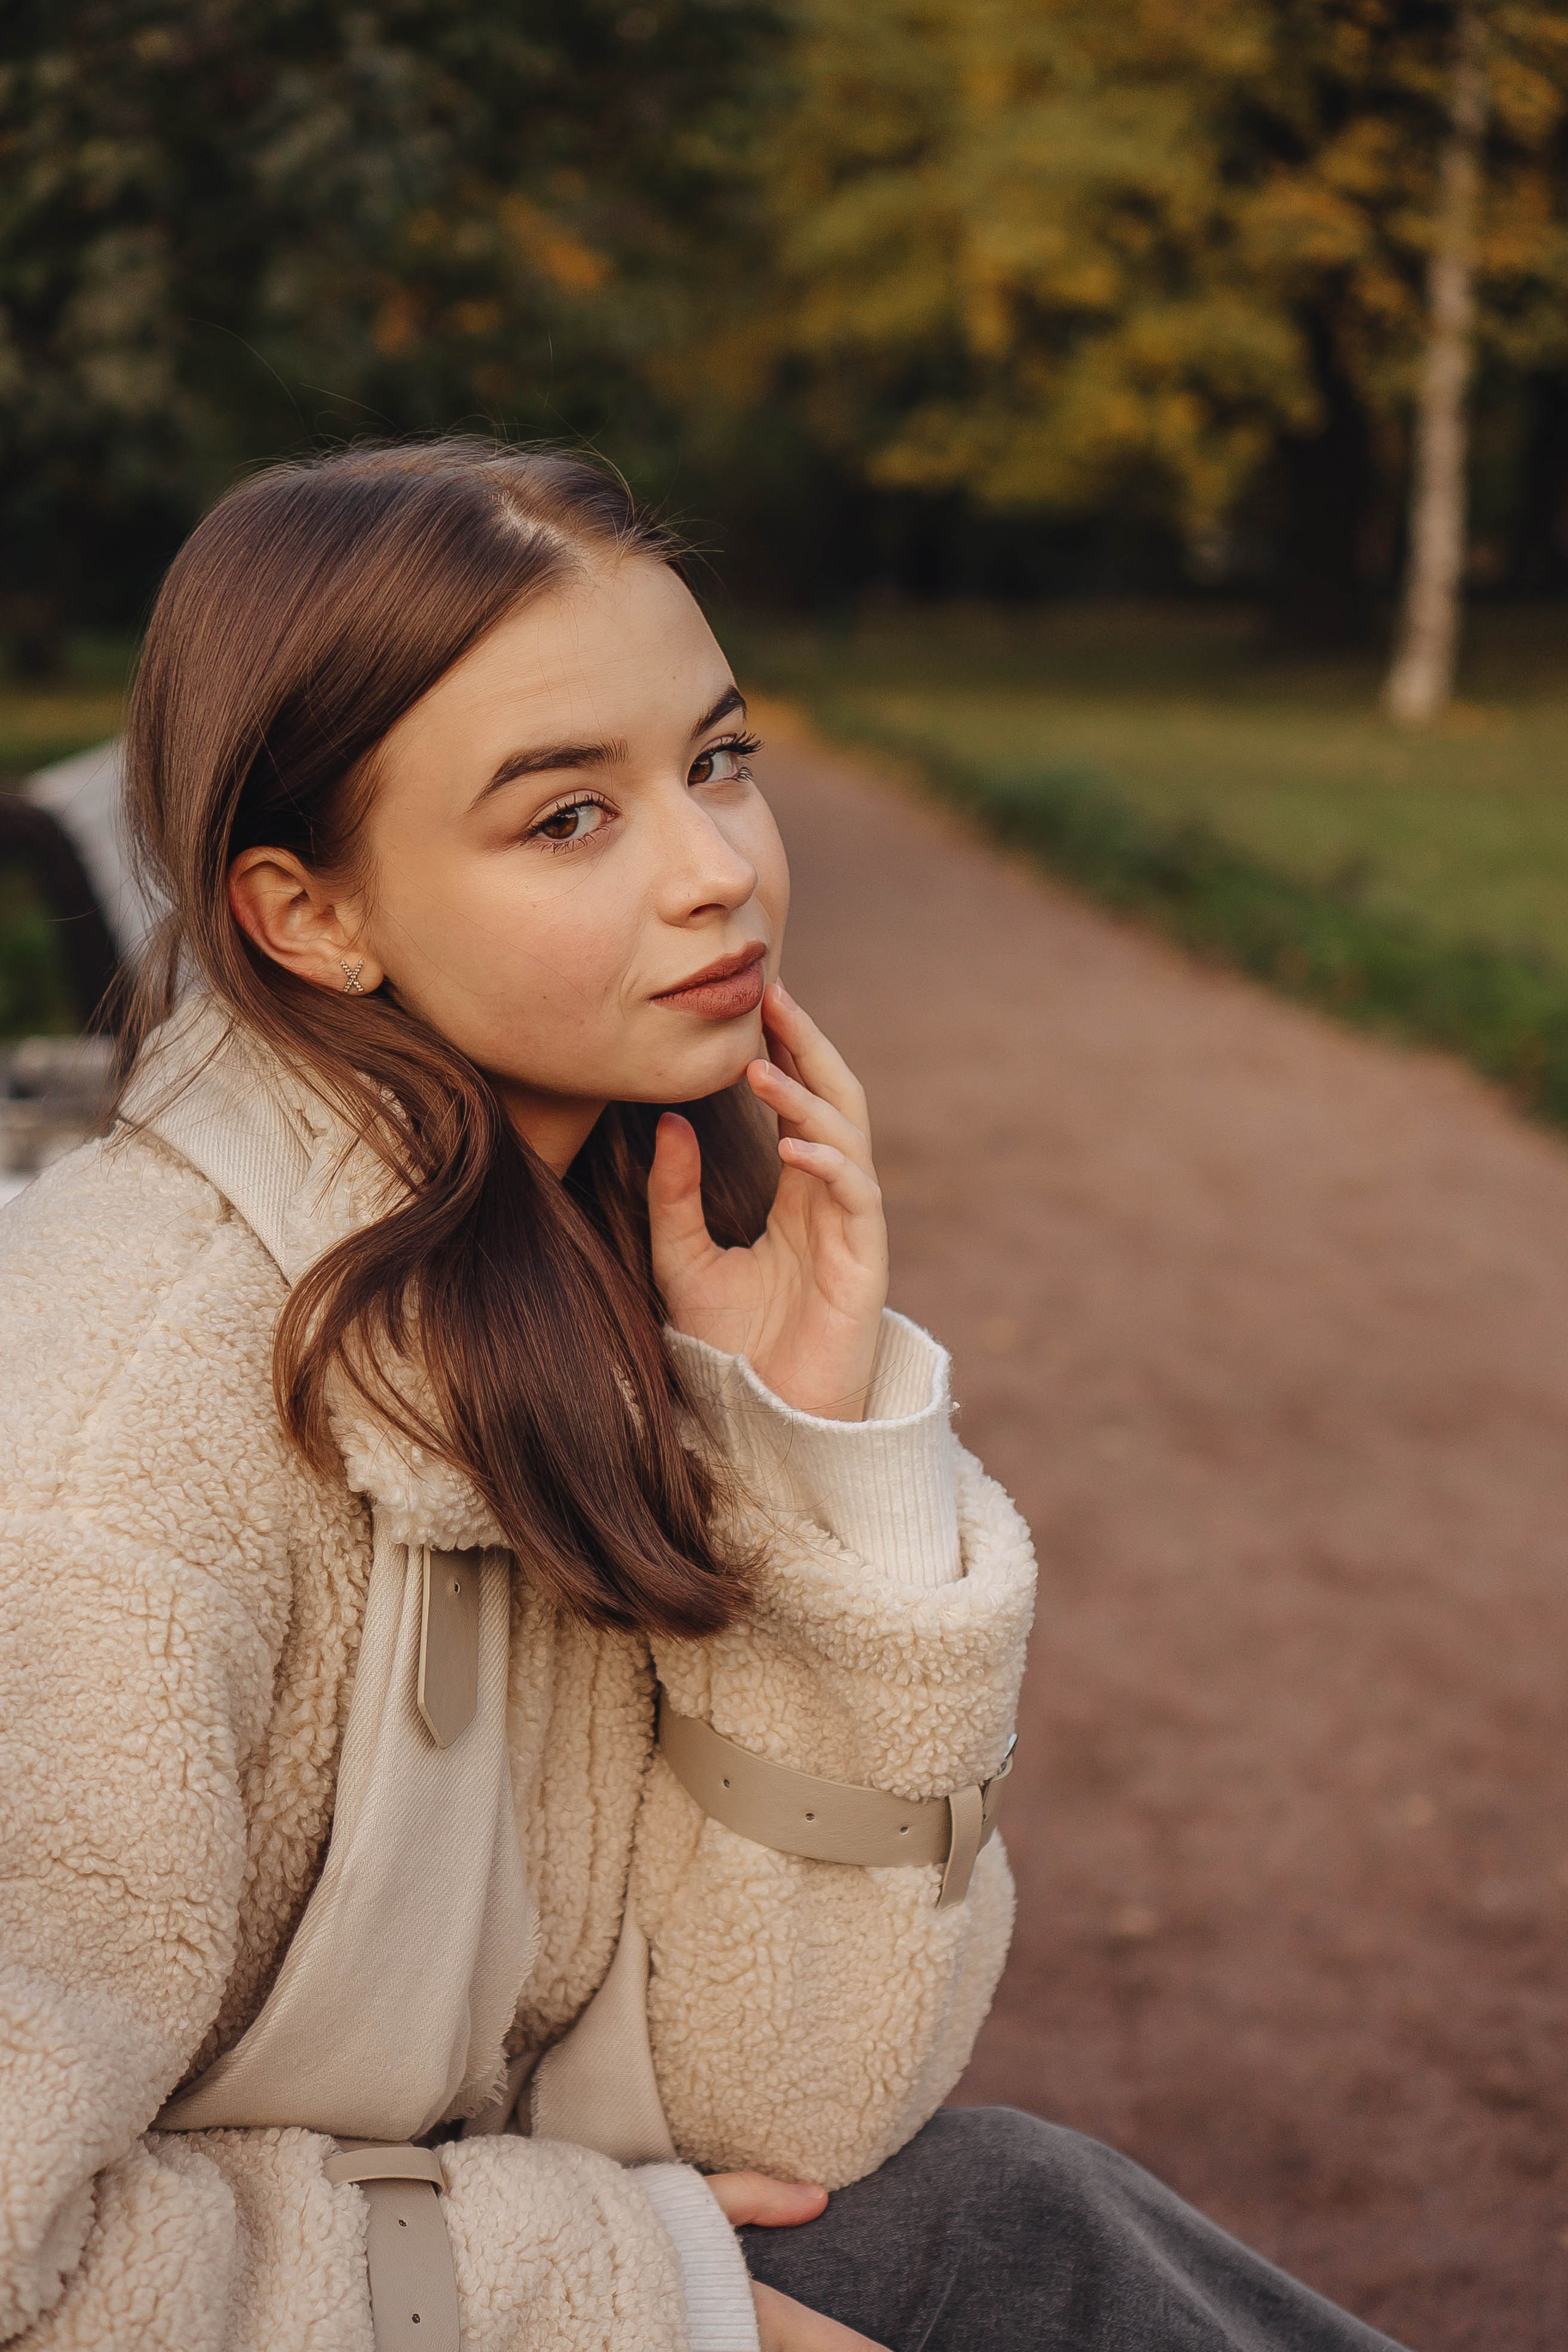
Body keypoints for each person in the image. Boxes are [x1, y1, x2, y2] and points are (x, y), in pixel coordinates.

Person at [0, 441, 1405, 2352]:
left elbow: (795, 2111)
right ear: (308, 917)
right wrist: (635, 2307)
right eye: (569, 818)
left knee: (1011, 2217)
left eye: (719, 761)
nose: (719, 870)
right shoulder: (108, 1457)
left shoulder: (558, 1267)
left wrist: (816, 1454)